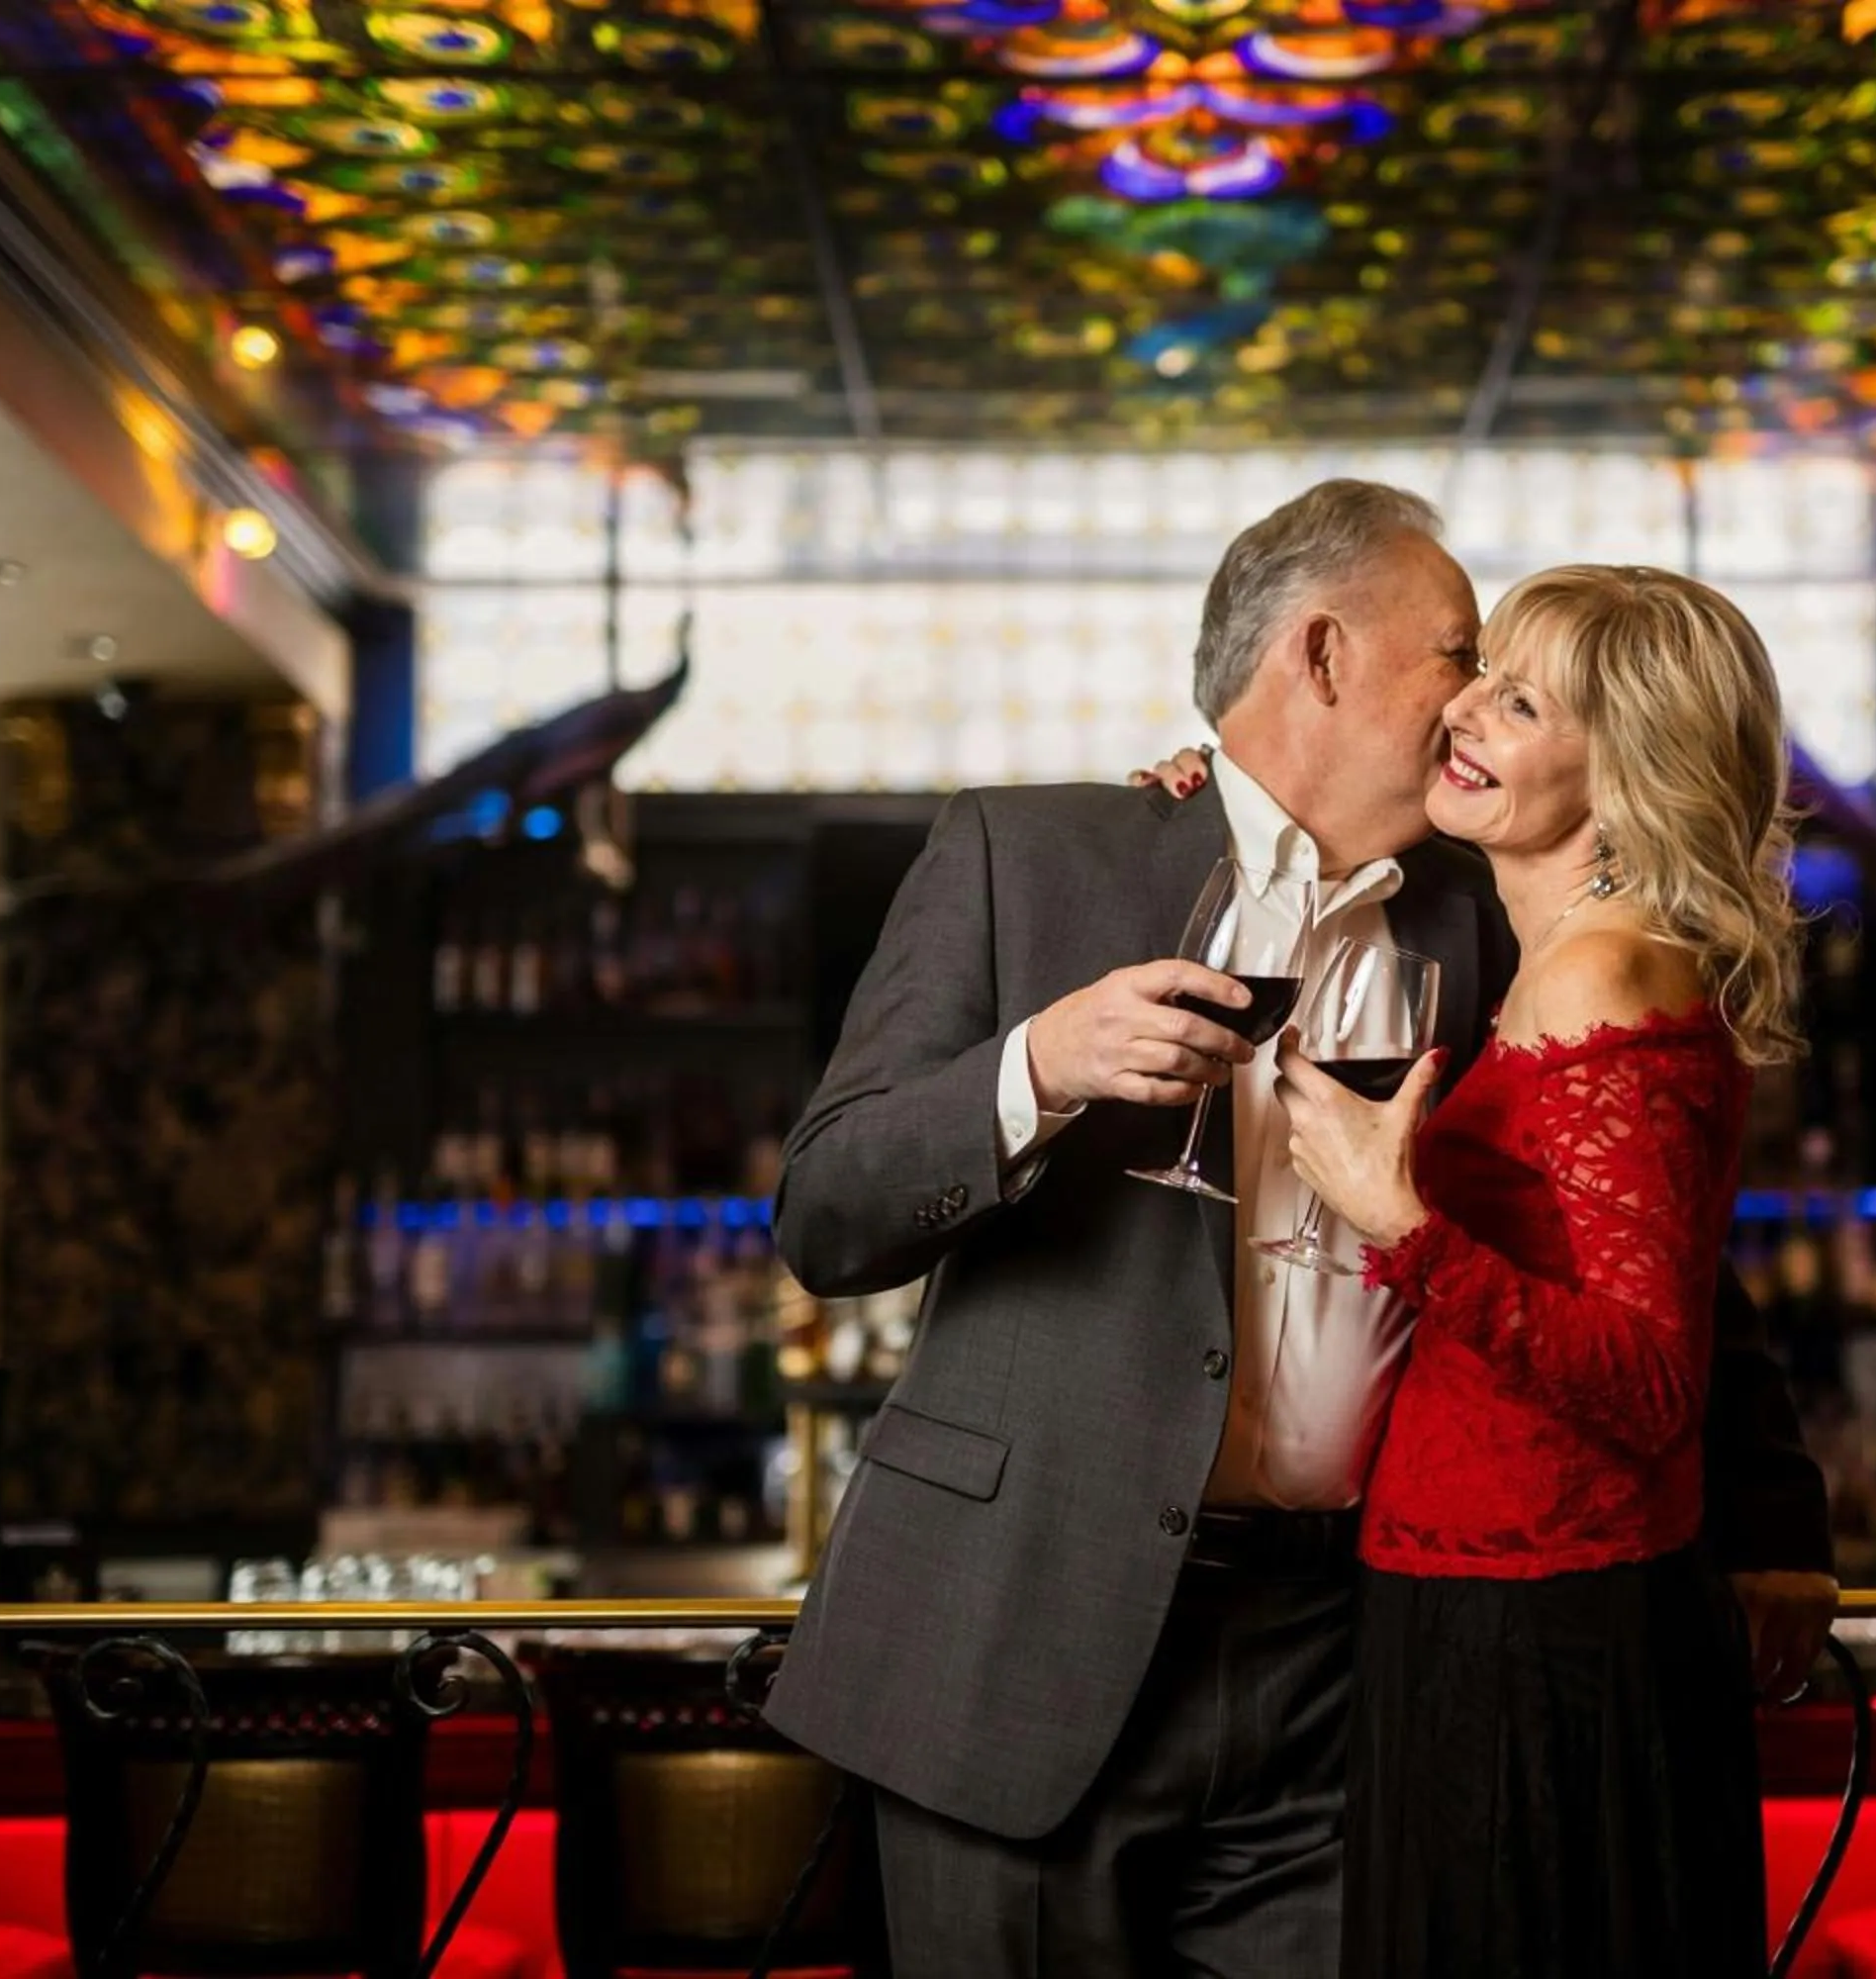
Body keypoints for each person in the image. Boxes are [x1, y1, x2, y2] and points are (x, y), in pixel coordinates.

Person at [764, 480, 1510, 1975]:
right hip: (1022, 1634)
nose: (1477, 691)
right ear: (1321, 653)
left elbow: (1622, 1207)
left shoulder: (1477, 916)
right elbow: (824, 1212)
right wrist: (1035, 1069)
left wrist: (1770, 1519)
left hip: (1342, 1661)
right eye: (1454, 649)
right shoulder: (1025, 855)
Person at [1267, 564, 1803, 1978]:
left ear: (1629, 772)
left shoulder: (1603, 977)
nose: (1464, 711)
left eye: (1520, 700)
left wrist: (1404, 1225)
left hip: (1538, 1634)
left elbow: (1647, 1377)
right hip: (1481, 1600)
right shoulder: (1552, 961)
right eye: (1481, 676)